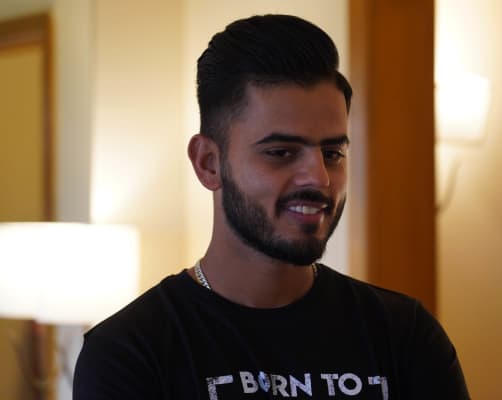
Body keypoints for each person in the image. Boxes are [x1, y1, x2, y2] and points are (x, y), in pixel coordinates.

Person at [73, 14, 469, 399]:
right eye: (281, 152)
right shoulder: (130, 353)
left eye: (332, 153)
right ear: (209, 163)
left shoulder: (404, 336)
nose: (319, 178)